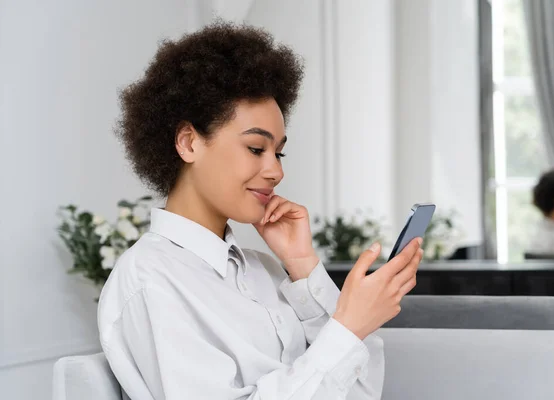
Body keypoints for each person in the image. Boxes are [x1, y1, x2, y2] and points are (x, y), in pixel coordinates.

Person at [98, 21, 423, 399]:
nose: (277, 171)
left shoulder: (265, 271)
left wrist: (302, 265)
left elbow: (361, 391)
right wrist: (348, 327)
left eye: (279, 152)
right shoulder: (149, 280)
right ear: (189, 143)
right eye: (256, 148)